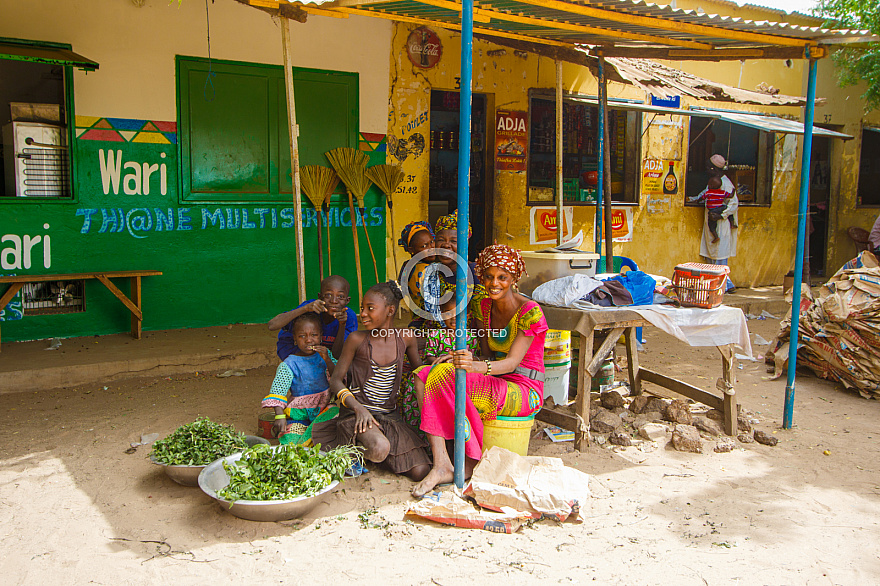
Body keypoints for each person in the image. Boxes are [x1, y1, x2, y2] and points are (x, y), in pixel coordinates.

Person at [411, 244, 548, 497]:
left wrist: (474, 367)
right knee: (423, 375)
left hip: (523, 389)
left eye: (502, 278)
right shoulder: (483, 306)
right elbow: (485, 352)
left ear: (514, 279)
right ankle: (442, 461)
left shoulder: (530, 312)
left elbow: (511, 364)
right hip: (495, 379)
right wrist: (454, 359)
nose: (494, 283)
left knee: (442, 377)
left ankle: (467, 460)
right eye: (488, 276)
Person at [312, 281, 431, 481]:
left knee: (420, 471)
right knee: (379, 448)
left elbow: (419, 372)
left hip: (389, 416)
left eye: (370, 308)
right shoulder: (357, 340)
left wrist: (435, 362)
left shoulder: (406, 338)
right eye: (362, 309)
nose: (363, 314)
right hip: (357, 415)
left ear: (390, 310)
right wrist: (358, 408)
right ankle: (353, 449)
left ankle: (371, 454)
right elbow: (336, 381)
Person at [398, 297, 481, 429]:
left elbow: (474, 359)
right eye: (448, 313)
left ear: (468, 315)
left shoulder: (471, 337)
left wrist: (454, 361)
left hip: (458, 376)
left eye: (459, 314)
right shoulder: (436, 334)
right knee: (414, 382)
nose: (454, 318)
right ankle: (419, 428)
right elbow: (429, 357)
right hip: (436, 373)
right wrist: (442, 362)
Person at [261, 312, 336, 445]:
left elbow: (338, 377)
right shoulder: (289, 364)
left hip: (324, 410)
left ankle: (312, 437)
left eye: (314, 335)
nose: (308, 340)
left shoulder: (325, 355)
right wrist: (279, 416)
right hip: (299, 414)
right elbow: (278, 392)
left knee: (335, 412)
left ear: (321, 337)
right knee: (289, 440)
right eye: (302, 336)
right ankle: (312, 438)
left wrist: (328, 360)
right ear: (295, 339)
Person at [269, 275, 357, 361]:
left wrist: (342, 325)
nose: (334, 301)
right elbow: (272, 325)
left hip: (324, 355)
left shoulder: (349, 317)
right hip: (294, 351)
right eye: (328, 295)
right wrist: (305, 308)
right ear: (320, 297)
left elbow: (337, 355)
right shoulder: (310, 307)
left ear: (347, 300)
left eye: (340, 296)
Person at [687, 154, 738, 292]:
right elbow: (705, 194)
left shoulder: (725, 183)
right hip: (712, 221)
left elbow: (733, 203)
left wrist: (721, 214)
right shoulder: (714, 181)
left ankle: (726, 284)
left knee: (720, 255)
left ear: (713, 168)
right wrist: (692, 199)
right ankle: (718, 283)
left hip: (720, 223)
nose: (706, 171)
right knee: (712, 256)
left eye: (707, 168)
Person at [702, 176, 737, 243]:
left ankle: (716, 236)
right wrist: (734, 191)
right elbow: (730, 196)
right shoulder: (722, 192)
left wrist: (697, 200)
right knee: (728, 211)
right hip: (720, 208)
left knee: (711, 226)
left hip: (712, 211)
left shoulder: (708, 192)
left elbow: (702, 197)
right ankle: (732, 223)